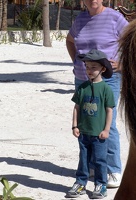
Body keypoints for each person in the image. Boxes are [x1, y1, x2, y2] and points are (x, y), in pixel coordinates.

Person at [66, 0, 128, 188]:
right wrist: (77, 61)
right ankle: (92, 166)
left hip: (107, 79)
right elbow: (70, 40)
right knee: (87, 121)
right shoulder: (81, 19)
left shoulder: (115, 18)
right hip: (82, 79)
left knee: (107, 121)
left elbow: (132, 42)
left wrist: (123, 64)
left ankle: (113, 170)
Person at [66, 49, 115, 199]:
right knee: (84, 159)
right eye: (87, 67)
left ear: (103, 69)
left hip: (99, 134)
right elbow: (77, 108)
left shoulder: (106, 89)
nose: (89, 70)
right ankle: (80, 183)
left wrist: (106, 130)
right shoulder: (82, 87)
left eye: (93, 67)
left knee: (100, 160)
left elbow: (109, 111)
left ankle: (101, 185)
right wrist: (75, 126)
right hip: (83, 132)